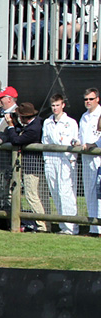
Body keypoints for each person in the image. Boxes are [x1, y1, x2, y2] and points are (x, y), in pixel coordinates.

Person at [0, 101, 45, 232]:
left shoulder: (34, 128)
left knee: (32, 195)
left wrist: (10, 126)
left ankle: (42, 225)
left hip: (33, 166)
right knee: (29, 195)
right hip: (26, 165)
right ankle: (35, 222)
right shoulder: (32, 124)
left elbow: (16, 140)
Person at [40, 94, 80, 234]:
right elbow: (45, 142)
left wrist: (71, 158)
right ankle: (63, 226)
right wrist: (47, 159)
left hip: (65, 160)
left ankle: (72, 227)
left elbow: (74, 141)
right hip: (51, 160)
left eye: (58, 105)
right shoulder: (47, 122)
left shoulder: (71, 122)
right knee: (55, 192)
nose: (55, 108)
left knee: (66, 192)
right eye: (53, 106)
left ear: (63, 105)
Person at [78, 87, 101, 236]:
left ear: (97, 99)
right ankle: (93, 228)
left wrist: (94, 145)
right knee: (89, 192)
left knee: (99, 193)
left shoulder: (100, 114)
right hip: (86, 158)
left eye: (91, 99)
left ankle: (99, 228)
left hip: (98, 158)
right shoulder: (84, 116)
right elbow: (81, 137)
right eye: (86, 99)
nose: (88, 102)